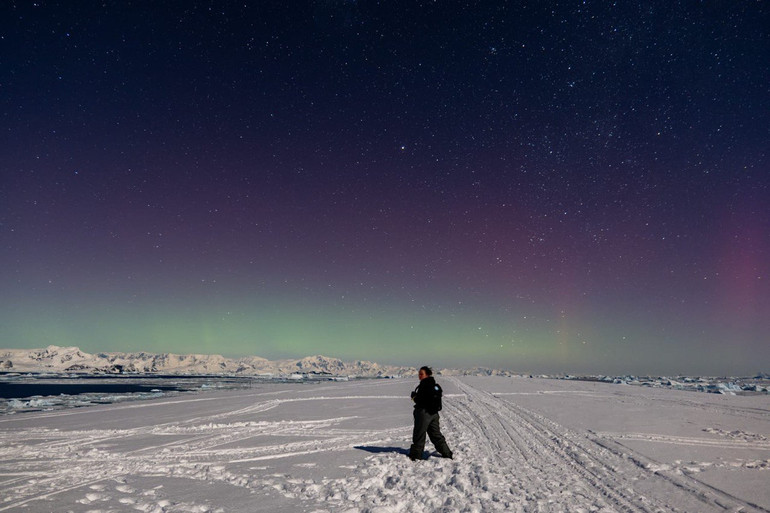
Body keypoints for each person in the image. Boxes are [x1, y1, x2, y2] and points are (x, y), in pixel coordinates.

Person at [408, 366, 453, 461]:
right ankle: (447, 453)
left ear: (427, 374)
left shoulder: (424, 385)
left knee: (419, 434)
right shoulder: (434, 385)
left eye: (421, 374)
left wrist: (414, 397)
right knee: (436, 434)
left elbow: (421, 400)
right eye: (419, 374)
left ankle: (416, 456)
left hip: (423, 413)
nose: (419, 376)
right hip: (434, 414)